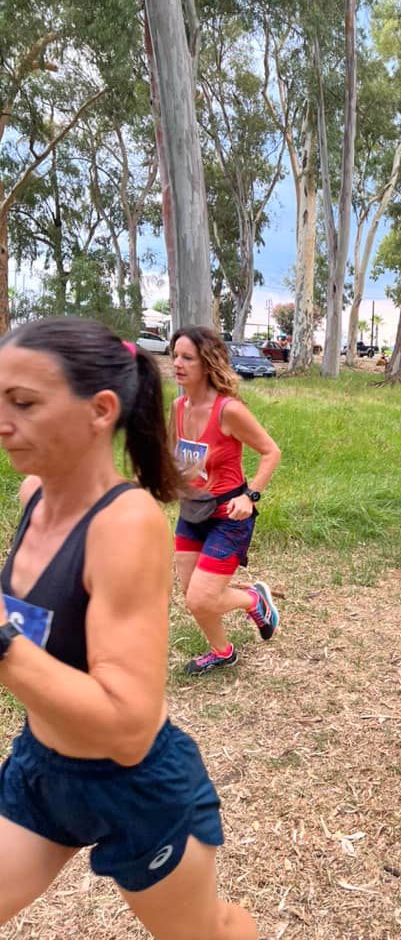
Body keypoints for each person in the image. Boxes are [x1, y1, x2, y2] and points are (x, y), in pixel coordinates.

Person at [0, 317, 257, 940]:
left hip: (135, 789)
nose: (4, 421)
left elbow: (128, 723)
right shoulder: (33, 494)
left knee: (207, 934)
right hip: (40, 771)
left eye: (24, 403)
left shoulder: (127, 522)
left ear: (101, 410)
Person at [171, 326, 281, 676]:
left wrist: (251, 496)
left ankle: (254, 599)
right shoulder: (178, 407)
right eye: (174, 355)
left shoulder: (228, 410)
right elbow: (188, 460)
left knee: (201, 598)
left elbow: (270, 452)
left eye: (187, 357)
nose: (177, 363)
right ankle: (223, 651)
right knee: (193, 597)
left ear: (207, 364)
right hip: (193, 510)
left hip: (229, 514)